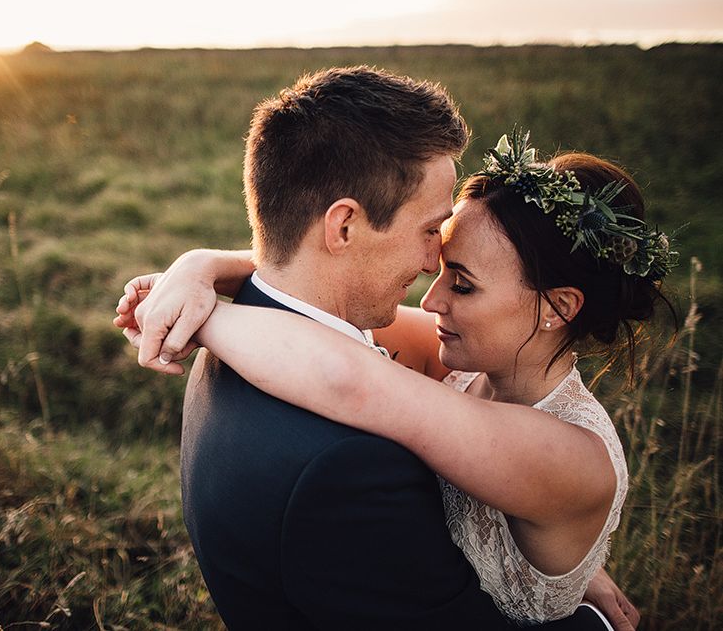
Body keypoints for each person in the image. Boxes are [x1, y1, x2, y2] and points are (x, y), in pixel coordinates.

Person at [115, 70, 644, 629]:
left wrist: (204, 310)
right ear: (343, 226)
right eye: (433, 245)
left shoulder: (566, 454)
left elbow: (348, 372)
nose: (431, 292)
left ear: (558, 308)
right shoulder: (443, 368)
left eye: (462, 284)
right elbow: (330, 344)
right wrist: (198, 269)